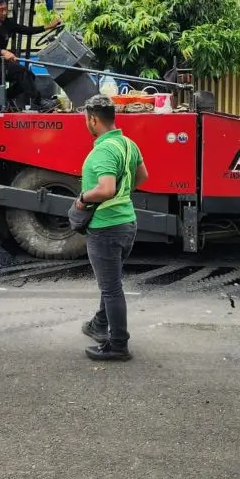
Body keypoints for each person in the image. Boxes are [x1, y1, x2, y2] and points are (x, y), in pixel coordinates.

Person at [75, 95, 148, 361]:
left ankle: (118, 345)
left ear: (93, 119)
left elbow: (106, 188)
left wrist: (83, 199)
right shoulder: (128, 144)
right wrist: (121, 196)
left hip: (106, 227)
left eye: (86, 119)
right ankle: (99, 324)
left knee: (111, 287)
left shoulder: (104, 150)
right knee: (112, 281)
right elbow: (143, 176)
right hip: (127, 222)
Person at [0, 0, 61, 110]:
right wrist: (3, 52)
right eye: (1, 10)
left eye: (6, 9)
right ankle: (38, 101)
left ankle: (5, 97)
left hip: (2, 62)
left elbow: (26, 30)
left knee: (30, 76)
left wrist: (48, 26)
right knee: (22, 72)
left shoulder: (7, 23)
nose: (4, 13)